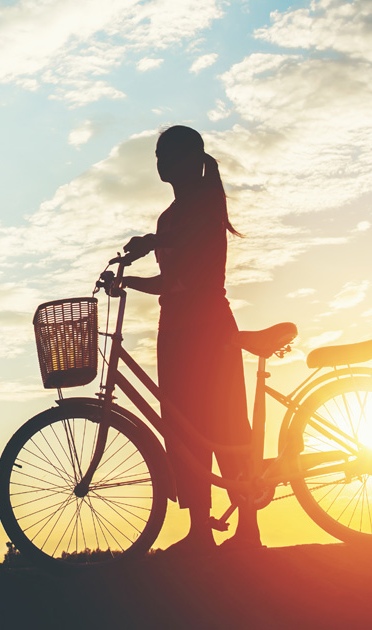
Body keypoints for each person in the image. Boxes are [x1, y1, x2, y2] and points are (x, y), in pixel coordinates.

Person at [120, 125, 258, 552]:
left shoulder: (204, 205)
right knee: (182, 431)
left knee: (225, 425)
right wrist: (128, 283)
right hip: (175, 333)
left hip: (210, 331)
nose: (160, 162)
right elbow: (169, 281)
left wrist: (150, 242)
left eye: (167, 154)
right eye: (157, 155)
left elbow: (191, 248)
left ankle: (248, 528)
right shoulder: (168, 216)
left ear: (190, 158)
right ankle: (200, 530)